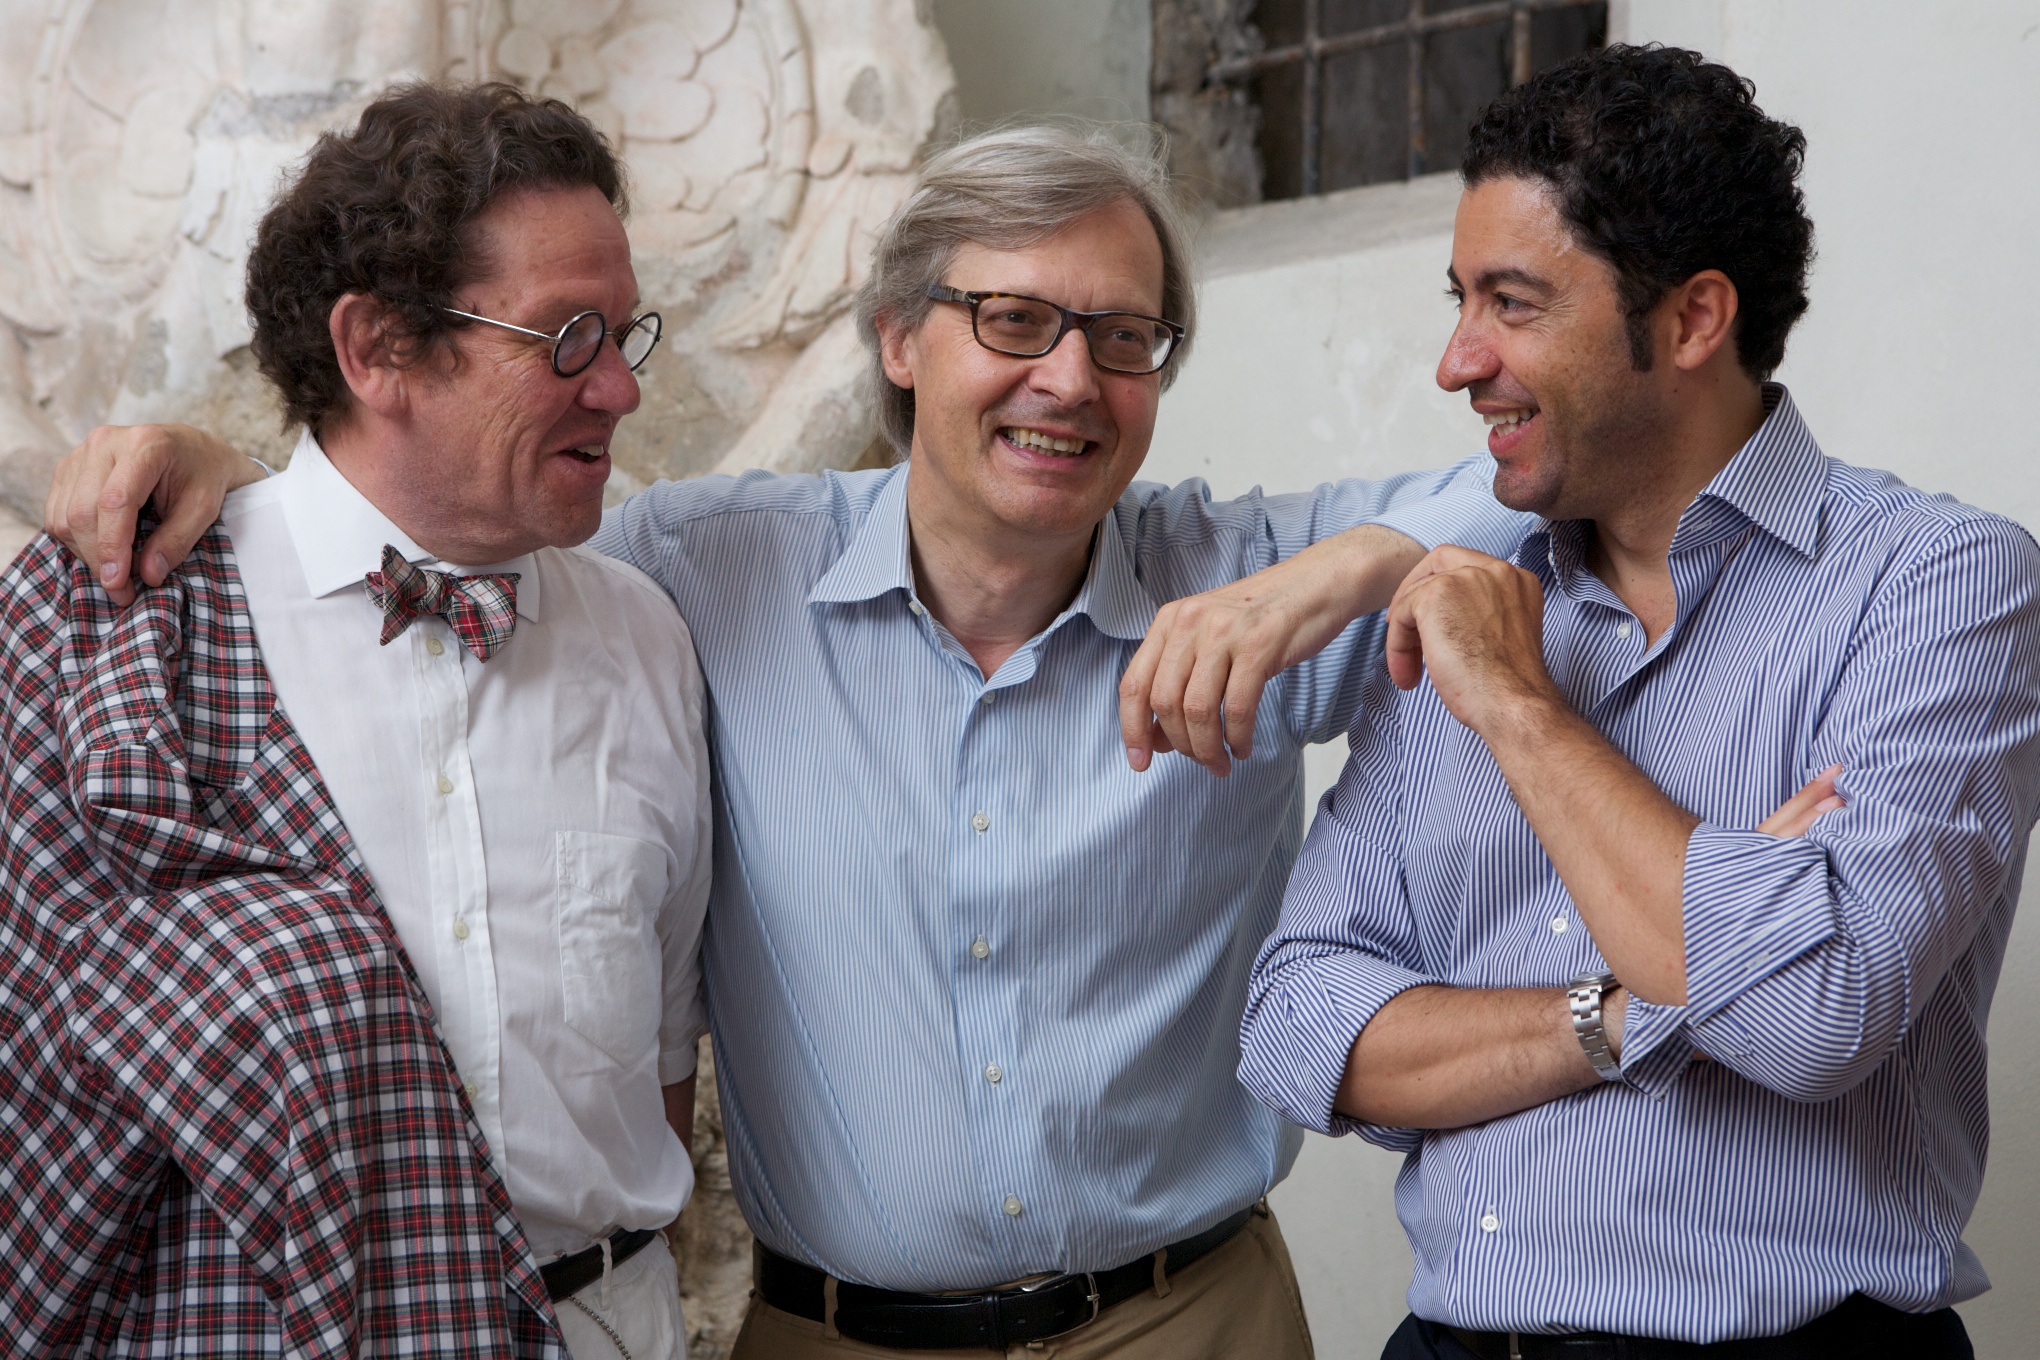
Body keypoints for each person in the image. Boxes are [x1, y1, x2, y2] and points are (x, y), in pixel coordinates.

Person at [42, 118, 1552, 1355]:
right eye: (1012, 321)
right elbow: (439, 518)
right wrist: (237, 484)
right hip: (831, 1337)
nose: (1070, 379)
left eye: (1125, 336)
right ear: (897, 339)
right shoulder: (694, 574)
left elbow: (1567, 495)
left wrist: (1361, 564)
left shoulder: (1249, 586)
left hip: (1190, 1319)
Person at [1238, 45, 2040, 1359]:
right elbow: (1297, 1024)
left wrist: (1518, 708)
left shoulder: (1942, 586)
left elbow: (1811, 1015)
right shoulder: (1467, 594)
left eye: (1512, 303)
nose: (1456, 361)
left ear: (1691, 320)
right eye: (1460, 300)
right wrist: (1636, 1004)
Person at [6, 84, 712, 1358]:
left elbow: (664, 1073)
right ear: (379, 347)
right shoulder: (131, 620)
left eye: (623, 335)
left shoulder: (647, 638)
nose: (619, 388)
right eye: (566, 338)